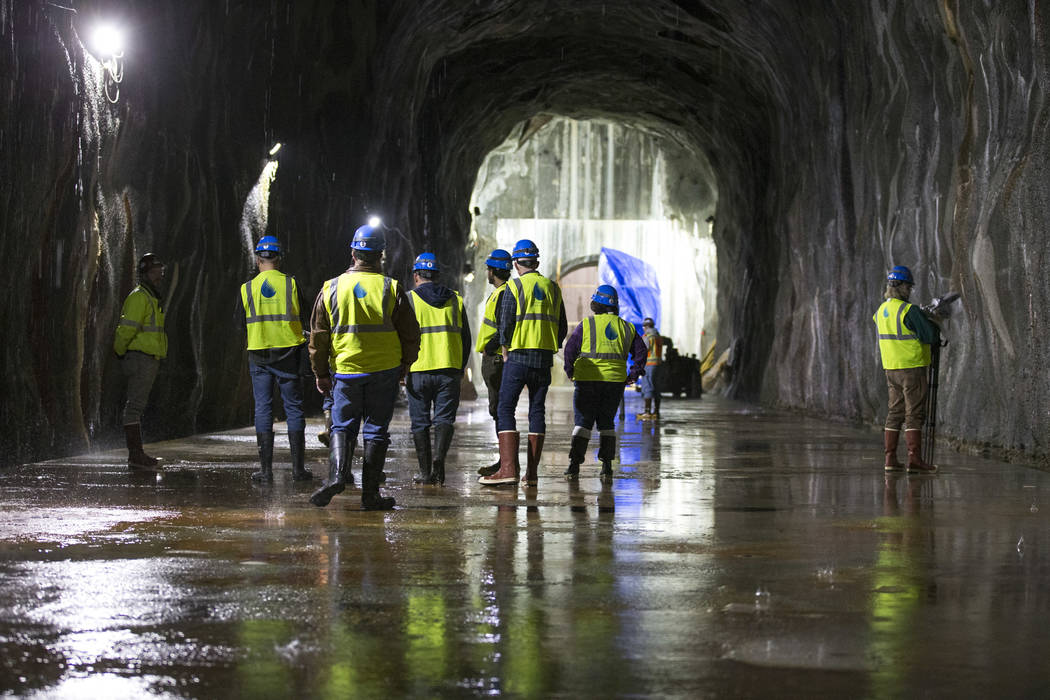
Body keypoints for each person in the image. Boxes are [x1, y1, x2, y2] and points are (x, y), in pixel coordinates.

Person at [308, 222, 421, 509]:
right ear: (381, 255)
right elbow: (410, 333)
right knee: (375, 431)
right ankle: (370, 495)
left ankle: (337, 476)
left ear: (353, 253)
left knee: (342, 426)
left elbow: (319, 336)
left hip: (346, 369)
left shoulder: (331, 288)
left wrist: (320, 372)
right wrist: (405, 365)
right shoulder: (391, 288)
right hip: (384, 371)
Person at [478, 239, 567, 487]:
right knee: (537, 410)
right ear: (536, 262)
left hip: (517, 357)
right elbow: (561, 326)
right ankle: (532, 474)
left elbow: (505, 324)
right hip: (543, 359)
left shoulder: (514, 288)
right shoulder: (552, 287)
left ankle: (508, 470)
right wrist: (551, 346)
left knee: (505, 409)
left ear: (516, 263)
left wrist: (505, 351)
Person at [240, 235, 312, 483]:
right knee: (293, 408)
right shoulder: (291, 284)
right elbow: (307, 314)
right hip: (289, 354)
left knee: (263, 408)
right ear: (279, 259)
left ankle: (266, 471)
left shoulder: (246, 288)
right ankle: (297, 470)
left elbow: (241, 323)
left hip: (259, 354)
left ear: (257, 259)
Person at [563, 285, 647, 480]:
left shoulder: (587, 324)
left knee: (583, 423)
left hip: (587, 380)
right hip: (614, 382)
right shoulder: (627, 327)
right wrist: (633, 374)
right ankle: (607, 466)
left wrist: (570, 370)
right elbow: (641, 352)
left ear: (597, 304)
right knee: (607, 423)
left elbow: (570, 350)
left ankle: (574, 465)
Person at [406, 252, 471, 486]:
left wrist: (401, 368)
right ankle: (439, 460)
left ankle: (425, 472)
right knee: (444, 419)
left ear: (416, 276)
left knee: (420, 422)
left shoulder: (409, 300)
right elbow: (466, 338)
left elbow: (401, 337)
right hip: (449, 370)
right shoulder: (455, 299)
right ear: (437, 276)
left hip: (418, 370)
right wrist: (460, 367)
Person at [874, 265, 940, 473]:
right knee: (914, 413)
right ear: (901, 286)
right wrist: (934, 321)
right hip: (911, 367)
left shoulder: (881, 310)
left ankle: (890, 459)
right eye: (908, 287)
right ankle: (914, 459)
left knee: (895, 412)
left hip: (891, 368)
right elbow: (930, 336)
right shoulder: (908, 310)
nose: (910, 290)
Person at [113, 253, 167, 470]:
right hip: (140, 358)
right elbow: (126, 329)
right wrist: (119, 351)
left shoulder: (150, 296)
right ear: (146, 272)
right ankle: (136, 455)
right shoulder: (139, 297)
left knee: (136, 406)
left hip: (147, 358)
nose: (160, 273)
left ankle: (137, 454)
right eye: (156, 269)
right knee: (134, 407)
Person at [475, 249, 512, 478]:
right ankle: (504, 461)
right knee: (498, 410)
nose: (486, 273)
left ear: (493, 271)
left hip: (497, 358)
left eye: (488, 269)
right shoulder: (502, 292)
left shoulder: (503, 294)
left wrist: (491, 347)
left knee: (499, 410)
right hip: (496, 357)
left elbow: (504, 326)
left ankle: (505, 464)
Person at [637, 317, 663, 420]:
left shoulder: (647, 336)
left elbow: (643, 350)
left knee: (647, 386)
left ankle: (647, 412)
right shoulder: (658, 336)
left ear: (646, 326)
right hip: (658, 364)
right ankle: (656, 411)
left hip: (649, 364)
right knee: (656, 387)